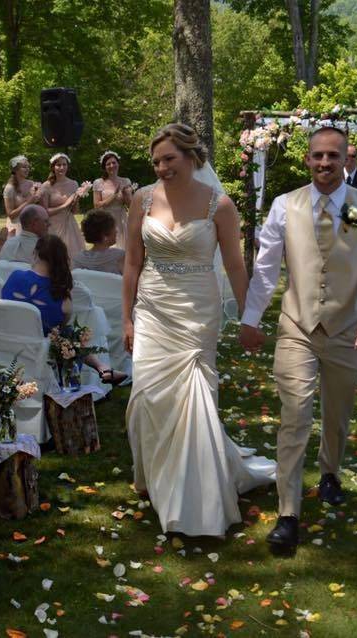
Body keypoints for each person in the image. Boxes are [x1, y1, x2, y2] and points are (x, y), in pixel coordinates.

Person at [239, 126, 357, 552]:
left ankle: (330, 471)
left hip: (347, 328)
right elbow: (267, 268)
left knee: (337, 413)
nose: (324, 163)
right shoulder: (285, 206)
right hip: (297, 328)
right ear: (306, 159)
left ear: (347, 159)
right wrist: (251, 318)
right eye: (317, 156)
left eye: (333, 155)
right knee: (294, 416)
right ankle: (288, 513)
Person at [123, 123, 276, 538]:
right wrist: (127, 317)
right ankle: (154, 477)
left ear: (191, 157)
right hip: (153, 308)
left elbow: (235, 265)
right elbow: (132, 263)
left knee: (193, 397)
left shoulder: (220, 205)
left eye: (169, 159)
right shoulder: (141, 200)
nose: (161, 167)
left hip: (196, 312)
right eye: (156, 161)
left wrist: (249, 317)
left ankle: (196, 494)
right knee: (148, 396)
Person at [2, 235, 125, 384]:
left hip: (9, 340)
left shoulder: (14, 277)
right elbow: (61, 327)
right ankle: (100, 367)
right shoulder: (61, 295)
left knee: (66, 336)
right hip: (41, 349)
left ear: (35, 253)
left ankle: (101, 367)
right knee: (68, 335)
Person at [40, 153, 89, 258]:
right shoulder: (46, 186)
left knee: (72, 256)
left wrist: (76, 200)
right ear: (53, 167)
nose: (62, 167)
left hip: (69, 225)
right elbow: (44, 212)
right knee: (54, 256)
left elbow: (75, 211)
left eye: (64, 164)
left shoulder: (74, 184)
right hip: (52, 226)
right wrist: (65, 205)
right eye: (58, 165)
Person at [92, 151, 134, 248]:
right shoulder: (98, 182)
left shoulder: (126, 181)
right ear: (104, 167)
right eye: (108, 164)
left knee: (123, 248)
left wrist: (126, 194)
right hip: (106, 219)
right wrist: (114, 195)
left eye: (114, 163)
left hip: (121, 218)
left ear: (118, 164)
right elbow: (96, 205)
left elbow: (130, 206)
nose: (112, 165)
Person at [73, 209, 125, 274]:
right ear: (105, 236)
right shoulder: (119, 256)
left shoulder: (78, 259)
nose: (116, 231)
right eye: (114, 228)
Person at [3, 155, 41, 234]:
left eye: (28, 167)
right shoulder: (9, 188)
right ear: (15, 170)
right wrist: (28, 202)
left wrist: (40, 194)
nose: (27, 169)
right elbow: (11, 215)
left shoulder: (32, 184)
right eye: (24, 167)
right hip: (17, 227)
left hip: (32, 225)